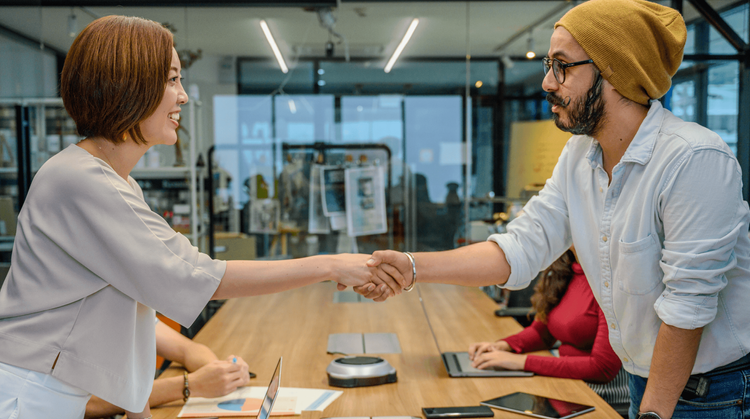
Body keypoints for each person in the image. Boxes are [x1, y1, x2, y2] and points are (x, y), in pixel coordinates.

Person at [0, 15, 403, 419]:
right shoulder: (80, 180)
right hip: (30, 396)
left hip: (50, 392)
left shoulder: (116, 183)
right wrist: (327, 265)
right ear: (129, 86)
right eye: (171, 80)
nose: (183, 97)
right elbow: (198, 276)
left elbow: (133, 302)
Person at [364, 1, 750, 418]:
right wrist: (411, 266)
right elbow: (520, 248)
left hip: (715, 392)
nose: (547, 82)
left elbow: (687, 309)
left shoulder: (694, 159)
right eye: (549, 64)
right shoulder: (579, 157)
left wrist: (653, 413)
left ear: (614, 72)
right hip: (644, 379)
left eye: (562, 66)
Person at [468, 249, 622, 385]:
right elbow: (542, 333)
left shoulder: (610, 282)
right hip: (567, 380)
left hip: (601, 392)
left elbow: (602, 368)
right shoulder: (564, 269)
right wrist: (504, 346)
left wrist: (522, 362)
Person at [85, 320, 251, 419]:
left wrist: (221, 372)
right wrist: (188, 385)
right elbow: (87, 404)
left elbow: (187, 349)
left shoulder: (121, 303)